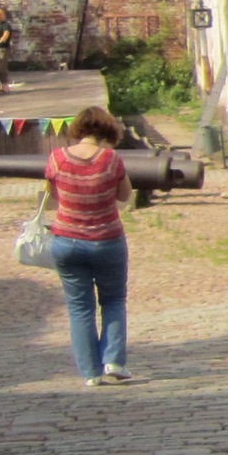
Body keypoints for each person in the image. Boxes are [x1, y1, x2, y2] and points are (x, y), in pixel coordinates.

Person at [41, 104, 134, 386]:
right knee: (113, 300)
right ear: (107, 130)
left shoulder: (57, 158)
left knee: (80, 308)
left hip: (67, 241)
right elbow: (125, 196)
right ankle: (113, 361)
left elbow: (53, 196)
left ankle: (91, 374)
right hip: (107, 240)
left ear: (78, 129)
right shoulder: (111, 159)